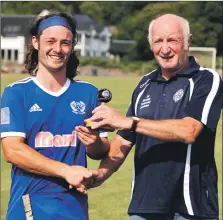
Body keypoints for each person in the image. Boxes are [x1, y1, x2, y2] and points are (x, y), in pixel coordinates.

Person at [86, 14, 223, 220]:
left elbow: (189, 131)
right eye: (158, 41)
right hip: (145, 207)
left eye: (172, 40)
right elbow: (123, 141)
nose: (165, 49)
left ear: (188, 42)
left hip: (192, 207)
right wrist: (101, 174)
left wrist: (129, 121)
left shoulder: (206, 79)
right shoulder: (144, 84)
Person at [1, 12, 109, 220]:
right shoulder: (16, 93)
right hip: (30, 207)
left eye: (65, 43)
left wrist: (94, 142)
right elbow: (12, 150)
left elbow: (99, 151)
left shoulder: (88, 93)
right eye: (50, 41)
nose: (57, 49)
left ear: (72, 45)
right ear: (36, 42)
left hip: (74, 208)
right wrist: (65, 171)